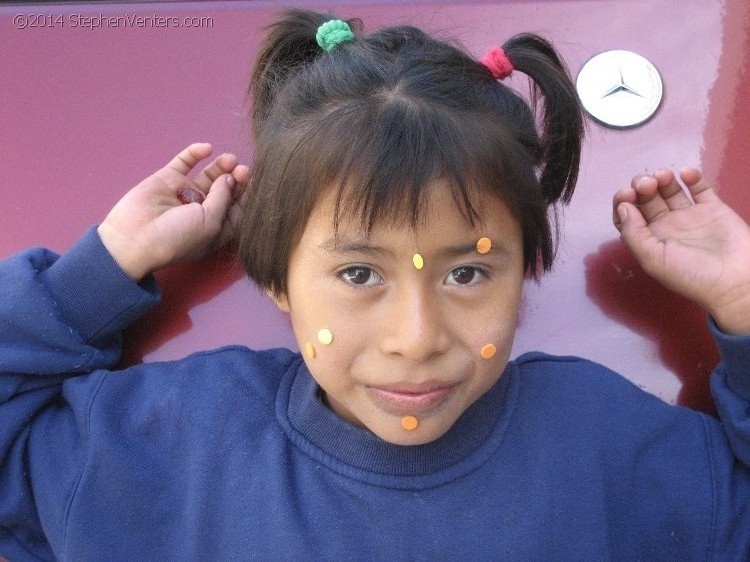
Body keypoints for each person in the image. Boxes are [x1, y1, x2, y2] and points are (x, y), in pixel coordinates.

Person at [2, 7, 750, 560]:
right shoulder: (167, 446)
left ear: (527, 270)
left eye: (467, 271)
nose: (416, 340)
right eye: (358, 272)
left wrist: (745, 302)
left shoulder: (606, 449)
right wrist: (97, 271)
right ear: (278, 278)